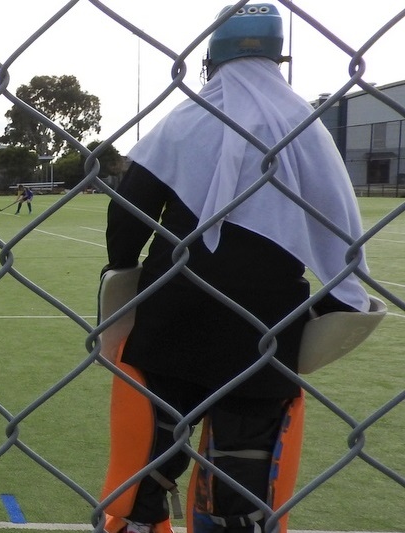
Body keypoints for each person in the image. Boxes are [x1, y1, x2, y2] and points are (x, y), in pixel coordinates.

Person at [99, 5, 371, 533]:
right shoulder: (305, 126)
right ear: (279, 57)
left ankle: (140, 515)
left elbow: (128, 208)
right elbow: (341, 228)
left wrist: (122, 276)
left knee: (147, 470)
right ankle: (233, 512)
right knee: (243, 482)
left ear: (210, 61)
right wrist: (325, 309)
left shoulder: (186, 118)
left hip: (169, 319)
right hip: (262, 327)